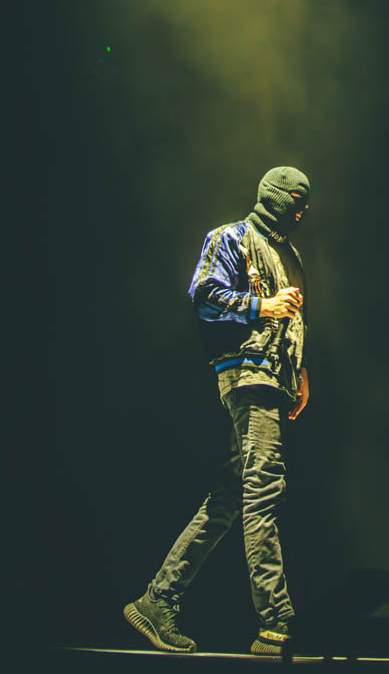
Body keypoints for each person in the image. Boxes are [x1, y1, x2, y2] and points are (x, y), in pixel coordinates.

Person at [123, 166, 312, 656]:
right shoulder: (231, 237)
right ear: (274, 197)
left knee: (230, 496)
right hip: (247, 374)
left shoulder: (289, 254)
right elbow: (205, 296)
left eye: (304, 204)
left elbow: (293, 320)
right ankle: (276, 623)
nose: (301, 211)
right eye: (294, 200)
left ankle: (158, 599)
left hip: (273, 377)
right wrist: (261, 306)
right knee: (263, 488)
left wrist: (298, 370)